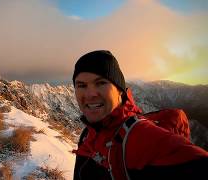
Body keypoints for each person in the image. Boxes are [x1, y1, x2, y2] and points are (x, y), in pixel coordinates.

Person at [72, 50, 208, 180]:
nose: (90, 94)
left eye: (101, 83)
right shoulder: (87, 135)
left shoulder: (140, 135)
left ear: (120, 91)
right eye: (82, 85)